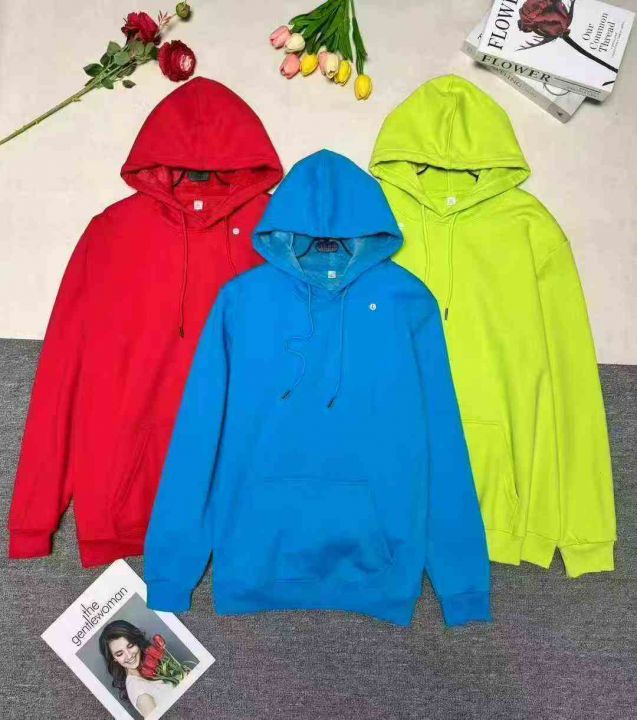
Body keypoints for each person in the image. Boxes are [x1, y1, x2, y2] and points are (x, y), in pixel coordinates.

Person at [98, 620, 175, 717]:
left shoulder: (147, 667)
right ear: (114, 658)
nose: (129, 655)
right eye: (120, 654)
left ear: (137, 641)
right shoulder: (140, 693)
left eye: (130, 646)